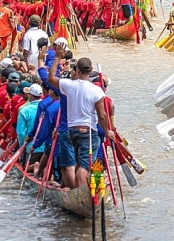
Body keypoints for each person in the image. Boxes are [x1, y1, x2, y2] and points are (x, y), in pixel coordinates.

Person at [45, 56, 112, 190]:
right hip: (88, 131)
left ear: (77, 71)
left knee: (78, 162)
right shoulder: (97, 90)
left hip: (72, 131)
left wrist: (57, 58)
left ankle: (77, 190)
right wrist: (107, 132)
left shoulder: (68, 84)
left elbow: (50, 78)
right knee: (85, 165)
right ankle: (80, 193)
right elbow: (102, 115)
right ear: (91, 70)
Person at [16, 83, 45, 164]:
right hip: (47, 147)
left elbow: (21, 133)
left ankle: (34, 167)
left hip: (31, 147)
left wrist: (23, 146)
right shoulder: (48, 107)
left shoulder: (24, 110)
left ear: (30, 96)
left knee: (27, 167)